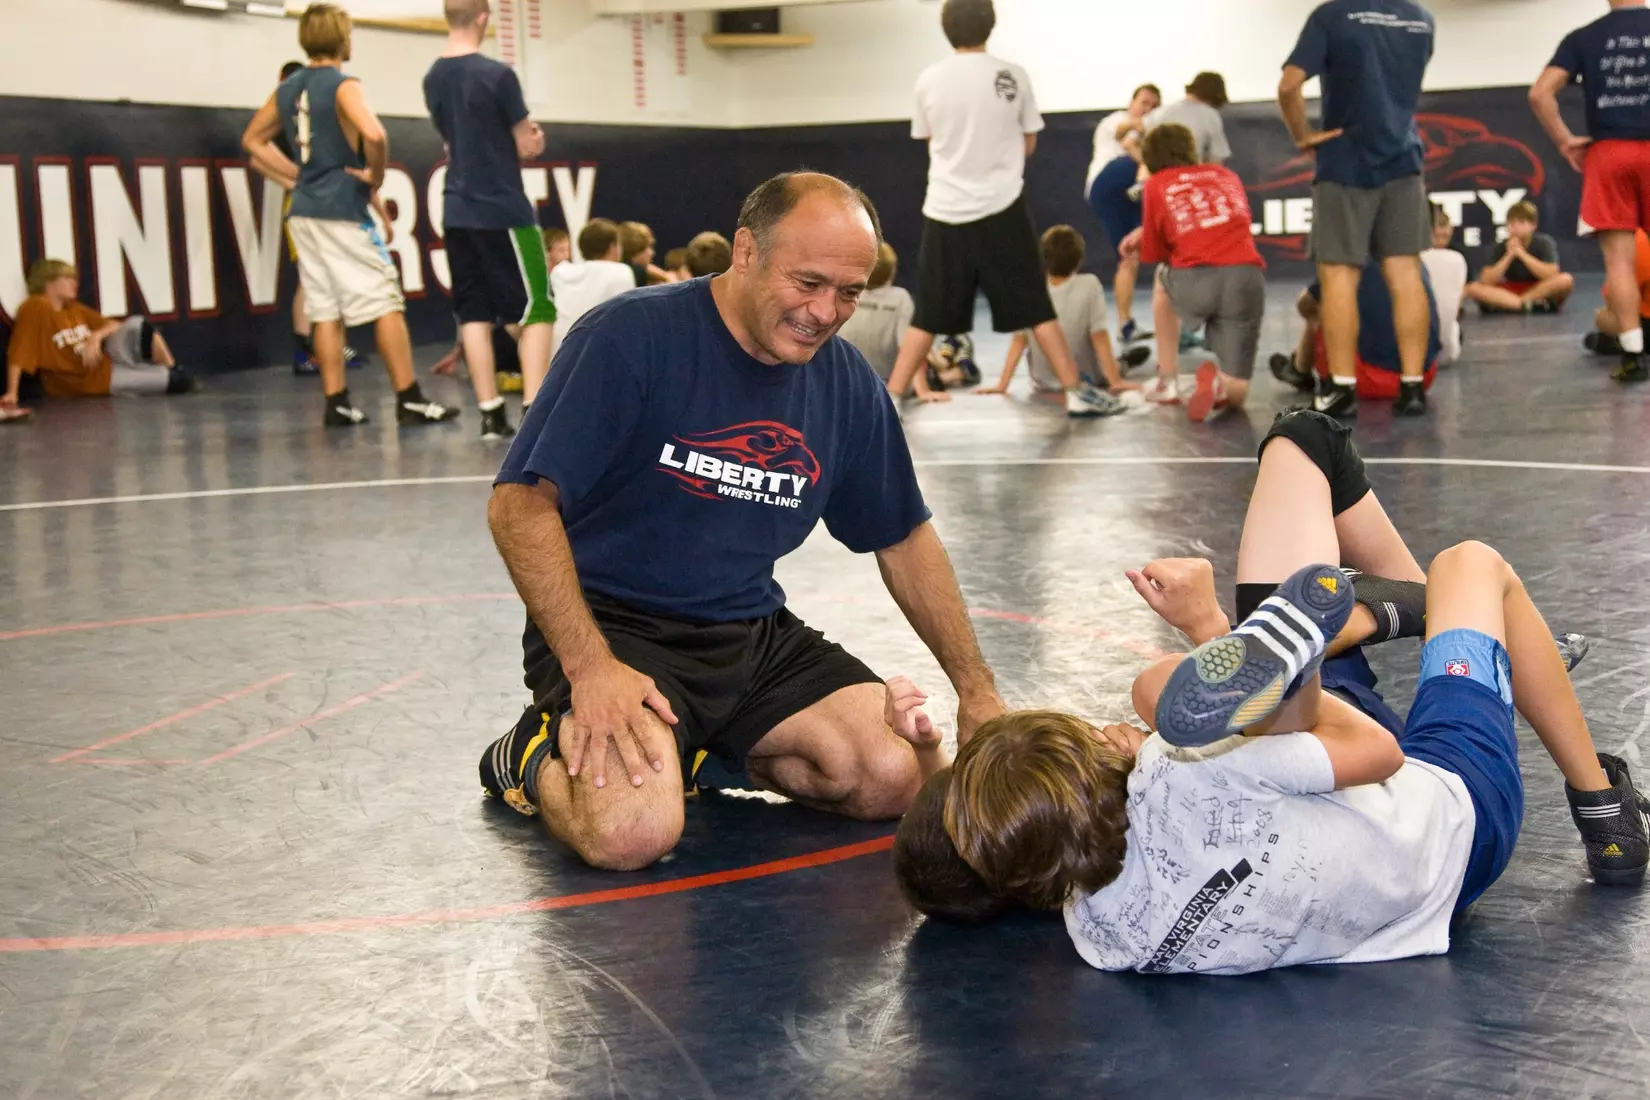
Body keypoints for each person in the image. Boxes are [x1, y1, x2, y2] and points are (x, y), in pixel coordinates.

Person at [897, 411, 1649, 974]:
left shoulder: (1101, 936)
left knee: (1302, 444)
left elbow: (962, 844)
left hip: (1325, 804)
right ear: (1098, 749)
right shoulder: (1180, 770)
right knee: (1471, 565)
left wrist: (935, 752)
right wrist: (1212, 634)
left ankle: (1458, 635)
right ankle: (1603, 809)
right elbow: (1374, 751)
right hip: (1449, 818)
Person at [476, 172, 1008, 870]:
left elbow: (903, 537)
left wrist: (978, 692)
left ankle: (694, 754)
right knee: (632, 832)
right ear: (746, 250)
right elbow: (518, 506)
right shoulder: (630, 336)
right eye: (809, 282)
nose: (826, 311)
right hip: (612, 627)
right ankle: (527, 755)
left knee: (892, 774)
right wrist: (590, 668)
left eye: (850, 292)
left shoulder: (845, 383)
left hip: (747, 633)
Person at [882, 0, 1120, 417]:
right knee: (1035, 305)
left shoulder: (929, 79)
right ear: (990, 25)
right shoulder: (1013, 74)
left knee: (929, 311)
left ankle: (891, 398)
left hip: (945, 209)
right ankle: (1075, 392)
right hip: (1002, 208)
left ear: (946, 29)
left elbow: (928, 138)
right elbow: (1029, 142)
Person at [243, 3, 456, 428]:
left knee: (324, 308)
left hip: (304, 213)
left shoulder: (288, 88)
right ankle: (408, 398)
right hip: (341, 211)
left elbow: (252, 140)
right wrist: (375, 175)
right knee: (386, 301)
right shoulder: (343, 85)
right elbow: (375, 133)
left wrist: (299, 176)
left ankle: (335, 401)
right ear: (342, 38)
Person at [1280, 0, 1437, 417]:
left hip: (1345, 162)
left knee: (1338, 278)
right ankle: (1413, 387)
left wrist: (1302, 135)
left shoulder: (1332, 15)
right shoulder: (1421, 18)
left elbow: (1288, 85)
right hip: (1404, 160)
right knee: (1405, 273)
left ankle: (1342, 389)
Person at [423, 0, 556, 439]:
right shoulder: (498, 76)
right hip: (502, 208)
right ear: (484, 18)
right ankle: (535, 408)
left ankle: (490, 412)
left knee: (474, 312)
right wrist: (533, 138)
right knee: (538, 307)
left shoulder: (433, 77)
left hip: (457, 209)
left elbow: (453, 139)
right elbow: (525, 144)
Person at [1531, 0, 1650, 382]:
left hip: (1610, 152)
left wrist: (1565, 140)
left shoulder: (1585, 36)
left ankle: (1633, 355)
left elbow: (1539, 94)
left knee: (1619, 261)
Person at [1119, 123, 1265, 421]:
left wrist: (1143, 238)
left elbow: (1155, 253)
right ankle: (1219, 387)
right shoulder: (1227, 175)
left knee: (1162, 278)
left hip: (1196, 279)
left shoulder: (1157, 184)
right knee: (1238, 390)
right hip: (1247, 278)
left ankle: (1167, 380)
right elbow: (1214, 220)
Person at [4, 258, 196, 407]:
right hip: (90, 381)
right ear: (49, 282)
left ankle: (172, 366)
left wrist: (95, 337)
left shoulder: (73, 308)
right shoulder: (35, 306)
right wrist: (12, 392)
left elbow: (113, 325)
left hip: (106, 361)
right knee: (179, 382)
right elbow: (19, 351)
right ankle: (168, 373)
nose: (75, 283)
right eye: (68, 278)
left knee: (138, 324)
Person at [979, 225, 1134, 396]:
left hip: (1043, 382)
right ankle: (1123, 364)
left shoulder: (1030, 288)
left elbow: (1019, 340)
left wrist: (1002, 385)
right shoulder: (1090, 285)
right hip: (1085, 378)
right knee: (1115, 365)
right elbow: (1099, 336)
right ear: (1080, 259)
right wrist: (1116, 381)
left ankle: (1123, 363)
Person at [1280, 262, 1442, 414]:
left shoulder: (1347, 260)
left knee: (1326, 305)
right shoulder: (1410, 260)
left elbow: (1306, 304)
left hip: (1370, 379)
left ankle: (1301, 370)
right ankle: (1411, 386)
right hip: (1424, 375)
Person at [1085, 83, 1163, 344]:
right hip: (1108, 183)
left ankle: (1125, 325)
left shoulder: (1147, 132)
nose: (1147, 109)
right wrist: (1141, 129)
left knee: (1129, 256)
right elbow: (1125, 136)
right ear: (1131, 102)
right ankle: (1145, 186)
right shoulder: (1118, 120)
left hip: (1127, 195)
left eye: (1153, 106)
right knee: (1151, 166)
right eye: (1144, 102)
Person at [1464, 202, 1576, 314]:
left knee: (1566, 279)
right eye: (1511, 223)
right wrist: (1509, 255)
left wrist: (1522, 255)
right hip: (1509, 292)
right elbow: (1486, 280)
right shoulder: (1500, 246)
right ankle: (1525, 305)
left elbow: (1552, 274)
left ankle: (1516, 304)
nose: (1515, 227)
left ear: (1533, 225)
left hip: (1539, 289)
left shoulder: (1545, 242)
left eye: (1521, 222)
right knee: (1473, 288)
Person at [549, 218, 638, 357]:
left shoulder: (560, 273)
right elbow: (628, 326)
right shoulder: (621, 272)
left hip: (558, 356)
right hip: (597, 359)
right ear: (613, 247)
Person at [838, 241, 915, 381]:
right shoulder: (900, 298)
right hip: (889, 379)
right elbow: (908, 347)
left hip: (846, 377)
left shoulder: (842, 292)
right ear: (891, 271)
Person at [1587, 229, 1650, 355]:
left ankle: (1629, 343)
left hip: (1645, 325)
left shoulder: (1637, 240)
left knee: (1602, 317)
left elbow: (1614, 297)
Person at [1147, 72, 1232, 165]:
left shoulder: (1161, 112)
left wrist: (1145, 164)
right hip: (1193, 175)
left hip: (1159, 175)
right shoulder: (1210, 115)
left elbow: (1131, 138)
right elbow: (1216, 159)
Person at [1420, 205, 1468, 365]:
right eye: (1437, 236)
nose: (1441, 241)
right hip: (1447, 347)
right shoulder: (1457, 259)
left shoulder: (1456, 255)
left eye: (1445, 236)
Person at [619, 221, 672, 286]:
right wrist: (666, 277)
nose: (652, 253)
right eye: (649, 246)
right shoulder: (638, 273)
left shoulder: (617, 270)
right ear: (637, 246)